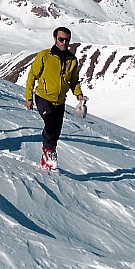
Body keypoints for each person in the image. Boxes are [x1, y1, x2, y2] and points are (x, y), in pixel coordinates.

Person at [24, 26, 85, 171]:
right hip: (43, 97)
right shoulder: (44, 56)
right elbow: (32, 76)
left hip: (60, 101)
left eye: (67, 40)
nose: (64, 42)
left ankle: (48, 154)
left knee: (56, 130)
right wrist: (28, 97)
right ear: (55, 39)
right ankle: (48, 152)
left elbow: (74, 81)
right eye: (61, 39)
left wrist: (79, 95)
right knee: (50, 124)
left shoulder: (72, 60)